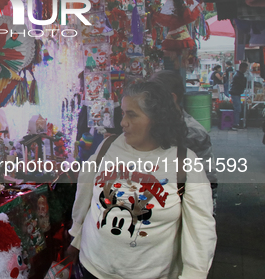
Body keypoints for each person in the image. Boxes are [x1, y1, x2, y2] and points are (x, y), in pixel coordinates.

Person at [67, 81, 216, 279]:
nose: (123, 122)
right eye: (123, 113)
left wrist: (194, 274)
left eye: (132, 115)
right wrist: (75, 236)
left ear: (156, 119)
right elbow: (85, 195)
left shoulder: (184, 162)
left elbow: (201, 227)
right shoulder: (107, 147)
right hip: (93, 268)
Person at [149, 70, 218, 212]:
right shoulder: (148, 124)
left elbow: (207, 178)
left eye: (153, 96)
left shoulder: (193, 133)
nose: (148, 101)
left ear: (172, 98)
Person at [229, 62, 248, 130]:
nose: (246, 69)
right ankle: (235, 124)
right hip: (235, 93)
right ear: (241, 68)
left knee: (238, 108)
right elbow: (243, 84)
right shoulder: (238, 76)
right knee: (238, 109)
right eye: (245, 68)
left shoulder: (239, 75)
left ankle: (236, 123)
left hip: (236, 93)